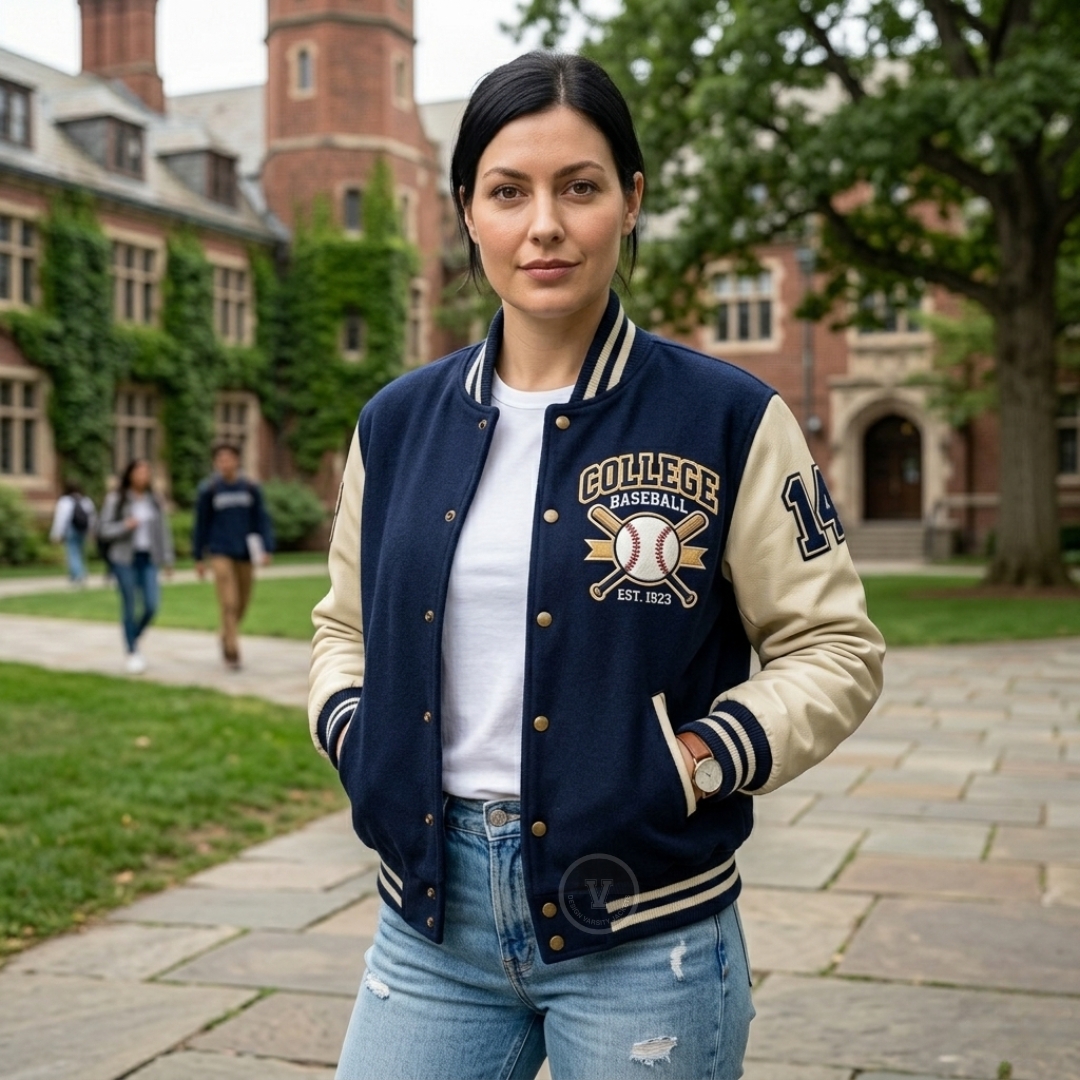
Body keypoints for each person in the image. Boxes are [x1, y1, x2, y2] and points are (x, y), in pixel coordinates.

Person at [309, 52, 886, 1080]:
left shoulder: (727, 417)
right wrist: (360, 736)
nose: (544, 225)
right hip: (429, 926)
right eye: (508, 191)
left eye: (579, 187)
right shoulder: (395, 425)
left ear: (631, 202)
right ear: (466, 214)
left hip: (647, 934)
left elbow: (834, 643)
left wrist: (702, 757)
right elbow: (342, 626)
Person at [192, 442, 274, 670]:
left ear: (237, 461)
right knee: (229, 602)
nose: (224, 463)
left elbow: (262, 520)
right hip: (219, 552)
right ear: (216, 463)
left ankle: (226, 633)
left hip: (246, 552)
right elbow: (201, 525)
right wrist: (198, 557)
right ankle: (232, 650)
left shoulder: (250, 488)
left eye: (229, 458)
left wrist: (267, 548)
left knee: (243, 602)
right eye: (220, 459)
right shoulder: (209, 490)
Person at [99, 459, 174, 674]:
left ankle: (133, 636)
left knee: (151, 605)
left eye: (146, 472)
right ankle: (132, 651)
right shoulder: (117, 499)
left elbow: (163, 531)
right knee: (130, 605)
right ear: (130, 474)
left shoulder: (154, 501)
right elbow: (102, 529)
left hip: (148, 558)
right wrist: (125, 525)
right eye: (139, 472)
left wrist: (167, 559)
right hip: (124, 559)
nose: (143, 476)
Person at [49, 482, 96, 586]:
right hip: (83, 530)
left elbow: (60, 519)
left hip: (71, 530)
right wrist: (92, 532)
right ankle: (78, 574)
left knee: (72, 552)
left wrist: (56, 534)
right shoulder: (86, 501)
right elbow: (92, 517)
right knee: (80, 552)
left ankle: (78, 575)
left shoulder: (65, 501)